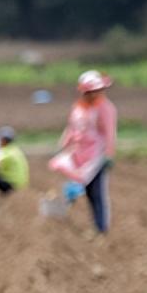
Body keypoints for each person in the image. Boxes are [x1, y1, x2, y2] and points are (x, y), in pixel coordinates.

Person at [49, 70, 117, 235]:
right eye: (93, 91)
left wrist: (109, 154)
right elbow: (72, 128)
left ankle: (101, 228)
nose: (97, 94)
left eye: (99, 90)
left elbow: (109, 133)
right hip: (79, 153)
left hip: (96, 156)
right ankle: (64, 215)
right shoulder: (78, 108)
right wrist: (62, 145)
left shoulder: (105, 108)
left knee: (97, 192)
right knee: (85, 191)